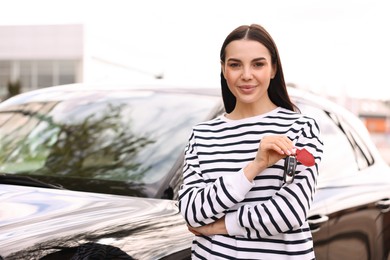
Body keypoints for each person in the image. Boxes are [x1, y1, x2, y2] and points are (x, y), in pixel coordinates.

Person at [178, 24, 323, 259]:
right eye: (235, 65)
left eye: (258, 64)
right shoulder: (202, 135)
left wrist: (218, 226)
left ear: (273, 69)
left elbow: (289, 212)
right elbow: (192, 212)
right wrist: (253, 167)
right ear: (224, 70)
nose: (246, 74)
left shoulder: (300, 128)